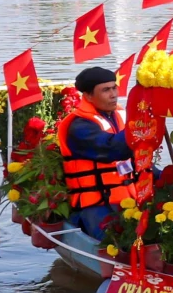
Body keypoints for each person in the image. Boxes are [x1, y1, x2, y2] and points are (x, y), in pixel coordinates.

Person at [56, 66, 135, 241]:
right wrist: (140, 125)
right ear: (89, 96)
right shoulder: (79, 127)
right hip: (94, 205)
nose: (113, 94)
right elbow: (112, 149)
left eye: (114, 87)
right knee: (115, 241)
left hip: (127, 197)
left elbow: (134, 159)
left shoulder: (118, 116)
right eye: (106, 90)